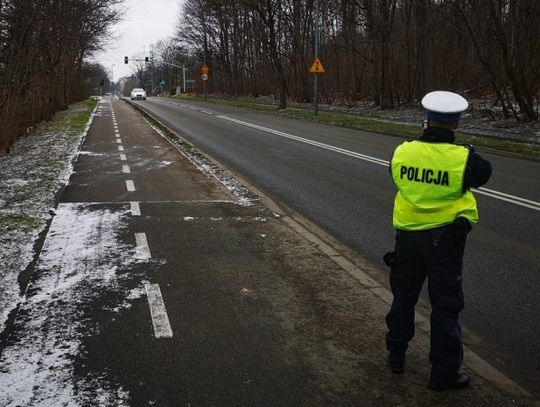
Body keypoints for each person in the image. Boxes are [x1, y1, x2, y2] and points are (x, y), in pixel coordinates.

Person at [384, 91, 492, 391]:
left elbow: (396, 176)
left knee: (403, 298)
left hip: (407, 238)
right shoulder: (465, 160)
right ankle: (443, 375)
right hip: (445, 242)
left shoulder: (402, 152)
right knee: (445, 308)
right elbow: (485, 173)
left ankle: (396, 355)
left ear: (426, 120)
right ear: (456, 124)